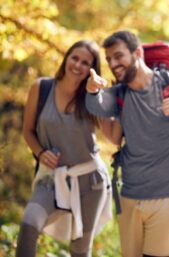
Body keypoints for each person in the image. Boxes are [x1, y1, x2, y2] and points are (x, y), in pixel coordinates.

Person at [85, 30, 169, 257]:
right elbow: (97, 106)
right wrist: (93, 90)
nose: (113, 64)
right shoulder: (120, 93)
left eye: (118, 56)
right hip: (130, 194)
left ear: (137, 53)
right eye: (109, 60)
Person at [17, 40, 118, 257]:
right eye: (75, 58)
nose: (78, 65)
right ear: (66, 58)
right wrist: (41, 152)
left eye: (85, 63)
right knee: (29, 224)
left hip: (91, 183)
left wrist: (97, 96)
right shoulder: (41, 88)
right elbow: (27, 131)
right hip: (51, 179)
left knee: (80, 250)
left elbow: (113, 136)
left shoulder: (91, 97)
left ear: (91, 70)